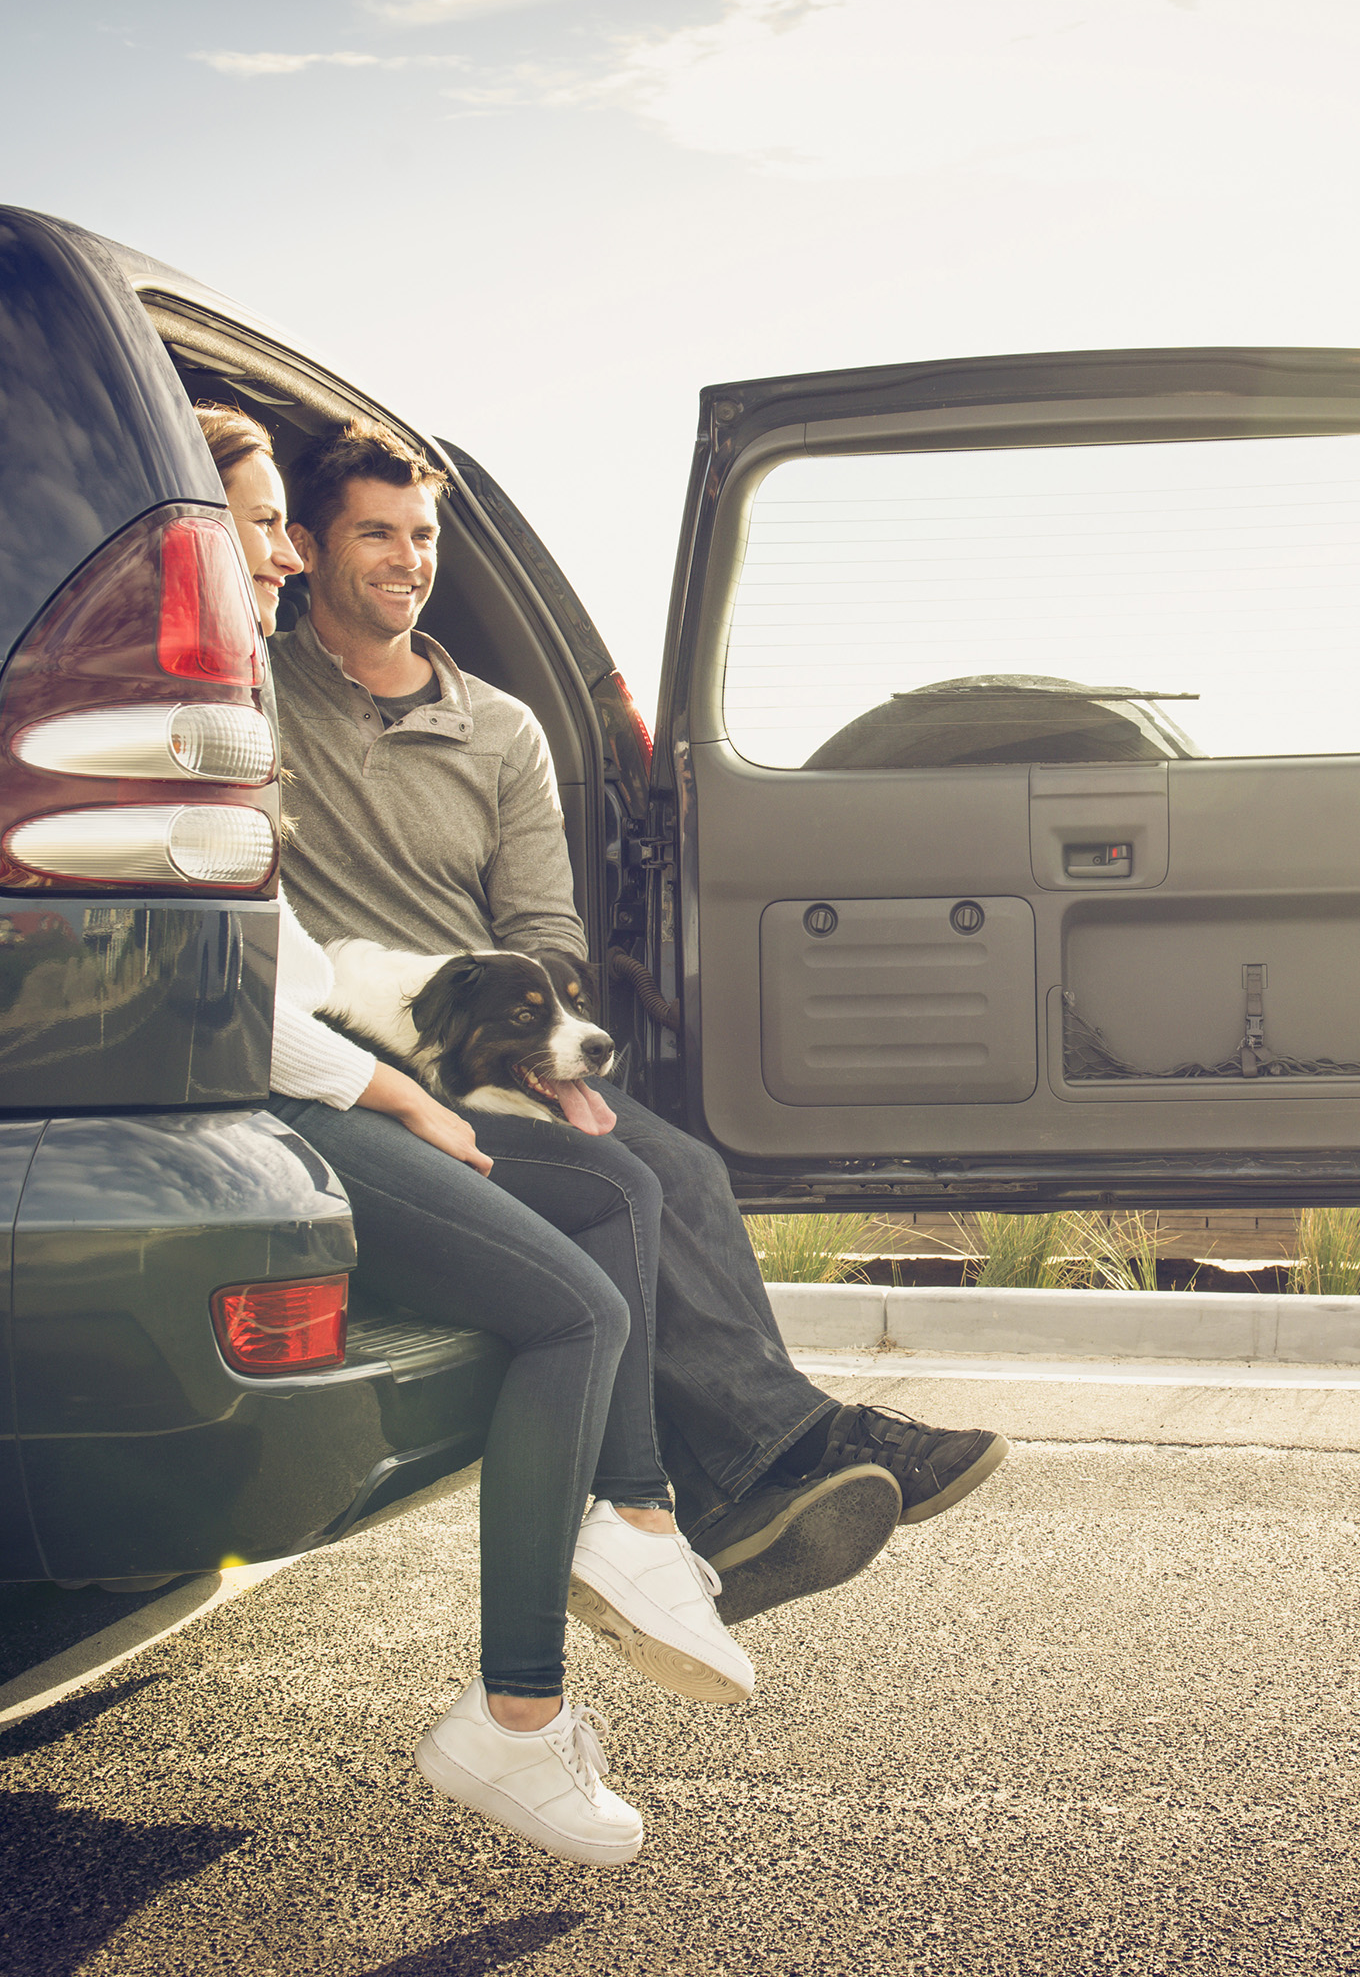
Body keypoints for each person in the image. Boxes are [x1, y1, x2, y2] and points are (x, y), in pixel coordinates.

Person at [269, 419, 1010, 1621]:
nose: (408, 558)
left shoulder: (502, 729)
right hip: (348, 1058)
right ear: (304, 546)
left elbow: (546, 931)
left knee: (684, 1167)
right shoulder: (259, 700)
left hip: (477, 1048)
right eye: (375, 534)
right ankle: (770, 1461)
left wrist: (513, 1032)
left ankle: (758, 1470)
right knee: (640, 1182)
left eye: (423, 535)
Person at [199, 403, 762, 1869]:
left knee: (639, 1182)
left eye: (421, 535)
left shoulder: (474, 722)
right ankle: (585, 1604)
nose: (402, 561)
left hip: (406, 1046)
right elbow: (243, 984)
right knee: (588, 1280)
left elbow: (498, 937)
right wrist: (400, 1089)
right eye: (272, 528)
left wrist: (475, 1055)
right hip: (309, 1078)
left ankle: (646, 1527)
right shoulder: (228, 696)